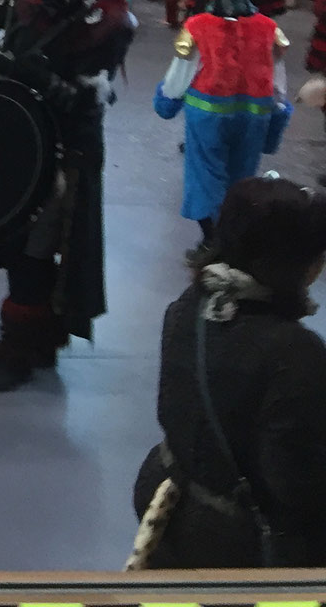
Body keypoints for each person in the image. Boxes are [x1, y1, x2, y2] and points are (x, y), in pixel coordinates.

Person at [128, 177, 326, 569]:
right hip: (236, 546)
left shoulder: (188, 308)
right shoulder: (294, 352)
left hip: (171, 503)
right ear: (297, 264)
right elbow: (297, 485)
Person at [0, 0, 133, 392]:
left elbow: (84, 100)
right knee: (21, 246)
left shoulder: (110, 24)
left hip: (67, 153)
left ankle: (19, 350)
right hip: (25, 142)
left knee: (34, 251)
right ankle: (37, 339)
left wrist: (28, 72)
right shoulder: (36, 3)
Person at [156, 0, 292, 266]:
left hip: (207, 112)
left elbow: (180, 74)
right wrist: (278, 108)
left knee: (204, 174)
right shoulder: (269, 28)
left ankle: (210, 242)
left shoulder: (198, 26)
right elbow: (278, 80)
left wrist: (168, 99)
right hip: (254, 114)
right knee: (242, 177)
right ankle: (235, 242)